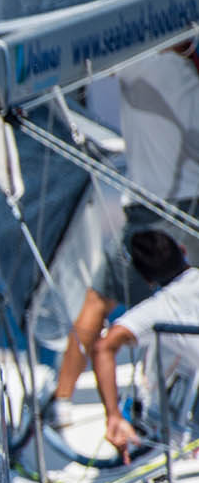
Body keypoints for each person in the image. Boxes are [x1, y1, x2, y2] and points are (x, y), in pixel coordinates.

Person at [49, 42, 199, 420]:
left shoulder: (134, 52)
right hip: (183, 204)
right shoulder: (169, 61)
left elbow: (88, 57)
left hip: (155, 207)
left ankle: (61, 405)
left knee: (97, 304)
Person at [93, 230, 199, 457]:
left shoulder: (158, 309)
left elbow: (104, 347)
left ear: (147, 279)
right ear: (183, 251)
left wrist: (113, 416)